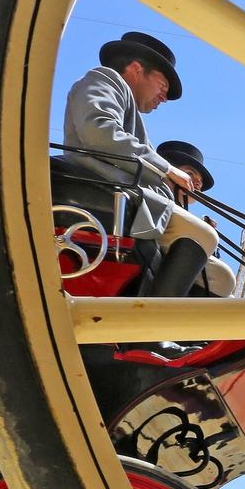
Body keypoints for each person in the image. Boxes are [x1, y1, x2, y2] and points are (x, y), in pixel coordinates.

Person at [63, 32, 221, 298]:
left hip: (130, 198)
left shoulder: (128, 106)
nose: (164, 97)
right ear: (137, 69)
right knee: (202, 235)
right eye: (162, 85)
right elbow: (99, 131)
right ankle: (151, 332)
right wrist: (169, 170)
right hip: (108, 192)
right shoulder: (105, 78)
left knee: (220, 279)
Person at [156, 140, 236, 297]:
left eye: (200, 179)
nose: (199, 182)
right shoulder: (154, 193)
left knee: (230, 297)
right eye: (190, 173)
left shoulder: (182, 213)